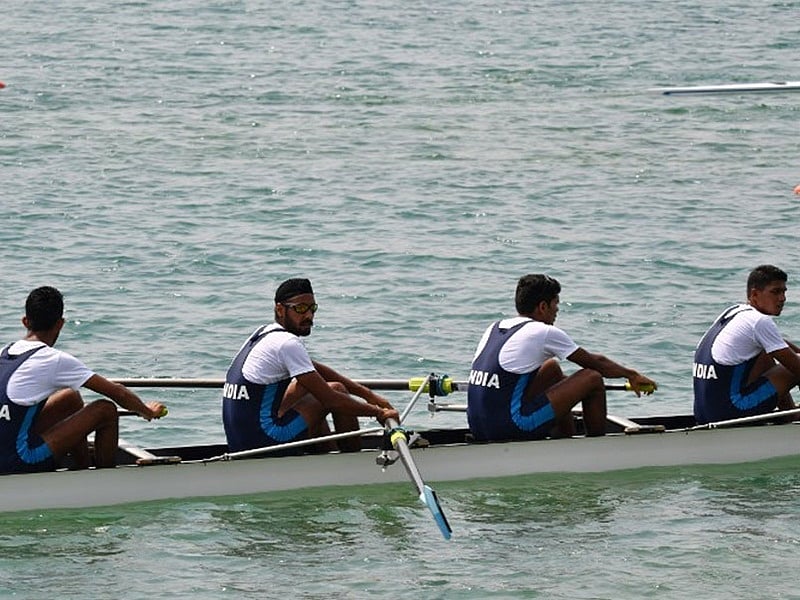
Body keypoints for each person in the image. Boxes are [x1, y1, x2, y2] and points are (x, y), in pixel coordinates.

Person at [466, 274, 657, 441]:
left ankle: (564, 438)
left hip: (478, 427)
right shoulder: (543, 332)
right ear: (542, 306)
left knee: (551, 368)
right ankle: (596, 449)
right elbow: (595, 363)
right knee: (592, 378)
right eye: (555, 303)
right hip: (512, 427)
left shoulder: (494, 327)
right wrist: (631, 374)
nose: (557, 309)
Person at [222, 277, 400, 453]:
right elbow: (331, 400)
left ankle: (326, 453)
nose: (308, 315)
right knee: (335, 392)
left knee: (312, 386)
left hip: (241, 443)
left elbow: (315, 369)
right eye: (300, 309)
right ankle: (352, 462)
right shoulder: (287, 343)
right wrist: (379, 413)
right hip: (263, 442)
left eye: (312, 308)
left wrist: (369, 395)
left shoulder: (264, 332)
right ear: (280, 309)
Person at [0, 286, 166, 474]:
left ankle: (82, 469)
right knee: (106, 410)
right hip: (18, 461)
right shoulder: (54, 359)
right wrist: (147, 411)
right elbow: (116, 392)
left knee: (70, 397)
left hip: (5, 451)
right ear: (60, 324)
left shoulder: (4, 352)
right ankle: (104, 481)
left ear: (25, 321)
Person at [693, 265, 800, 424]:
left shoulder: (735, 311)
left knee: (766, 352)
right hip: (729, 413)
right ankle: (791, 419)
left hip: (703, 414)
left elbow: (779, 345)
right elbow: (796, 366)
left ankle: (790, 416)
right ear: (755, 294)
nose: (782, 298)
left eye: (784, 292)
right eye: (775, 292)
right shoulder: (760, 321)